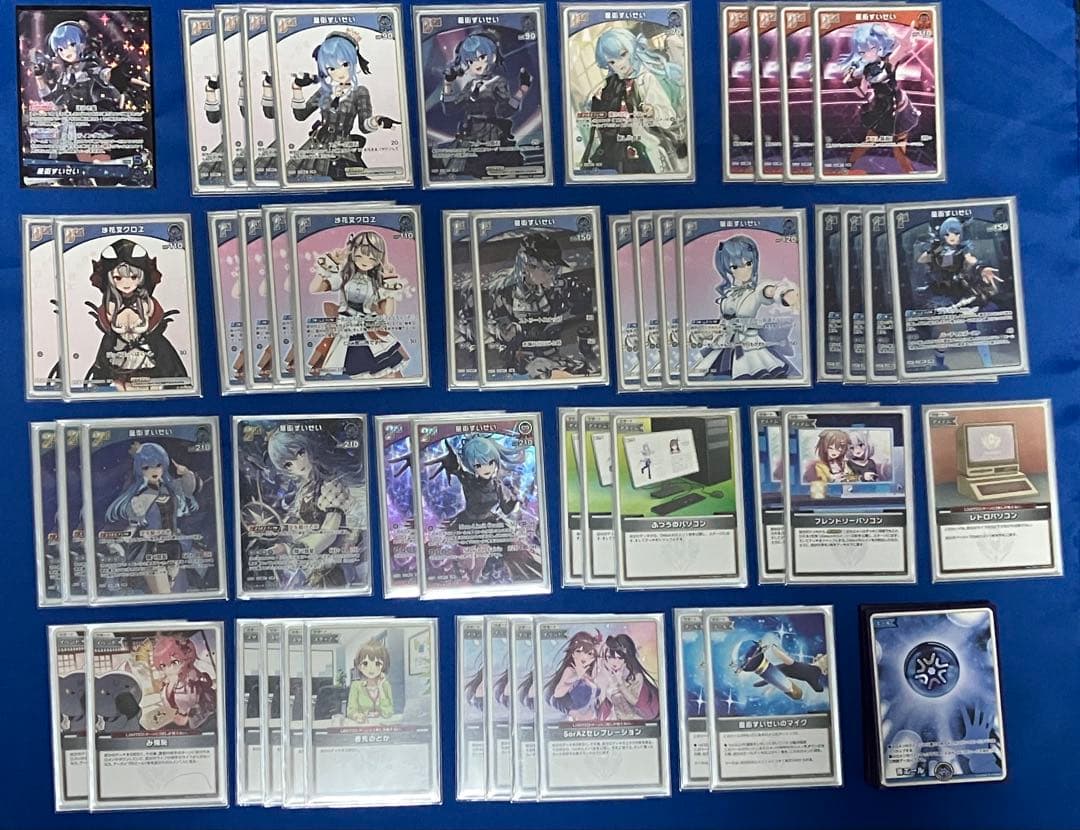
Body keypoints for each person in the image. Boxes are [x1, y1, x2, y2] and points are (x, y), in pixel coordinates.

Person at [290, 31, 399, 180]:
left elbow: (364, 126)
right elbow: (300, 115)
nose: (339, 72)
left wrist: (376, 121)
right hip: (317, 146)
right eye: (332, 68)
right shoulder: (324, 91)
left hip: (342, 148)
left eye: (345, 64)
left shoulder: (359, 92)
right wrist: (297, 88)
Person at [86, 238, 189, 390]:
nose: (126, 283)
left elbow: (154, 316)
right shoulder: (111, 302)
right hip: (117, 353)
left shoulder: (145, 300)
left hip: (148, 353)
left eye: (133, 277)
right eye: (118, 278)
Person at [581, 27, 686, 174]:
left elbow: (668, 115)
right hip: (622, 148)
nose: (620, 65)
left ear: (632, 49)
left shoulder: (646, 79)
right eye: (612, 62)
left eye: (623, 55)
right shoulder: (613, 84)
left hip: (650, 145)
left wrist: (652, 111)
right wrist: (600, 101)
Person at [693, 235, 799, 380]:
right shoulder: (729, 293)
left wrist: (783, 294)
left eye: (748, 263)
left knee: (751, 372)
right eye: (735, 266)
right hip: (725, 341)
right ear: (728, 269)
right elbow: (723, 319)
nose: (744, 270)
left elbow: (768, 290)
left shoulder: (755, 291)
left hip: (749, 343)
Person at [308, 231, 409, 379]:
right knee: (355, 374)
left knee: (390, 374)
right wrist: (330, 262)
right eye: (360, 255)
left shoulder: (377, 281)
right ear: (353, 252)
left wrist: (390, 283)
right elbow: (314, 288)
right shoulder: (345, 276)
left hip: (371, 331)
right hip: (347, 331)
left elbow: (388, 312)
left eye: (372, 257)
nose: (365, 261)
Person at [105, 442, 201, 594]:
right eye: (146, 467)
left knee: (172, 590)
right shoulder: (142, 496)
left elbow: (189, 489)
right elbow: (135, 524)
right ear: (140, 470)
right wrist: (121, 541)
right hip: (151, 549)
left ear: (164, 465)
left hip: (173, 547)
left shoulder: (171, 488)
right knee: (163, 594)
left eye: (158, 465)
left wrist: (186, 473)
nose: (153, 470)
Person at [437, 31, 532, 178]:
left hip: (490, 136)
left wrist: (522, 89)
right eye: (471, 61)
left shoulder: (498, 82)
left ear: (492, 57)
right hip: (469, 136)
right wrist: (447, 83)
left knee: (488, 169)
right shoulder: (470, 85)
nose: (476, 64)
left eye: (481, 57)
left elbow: (506, 111)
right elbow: (450, 109)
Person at [597, 634, 660, 721]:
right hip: (621, 723)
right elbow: (604, 711)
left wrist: (620, 684)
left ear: (627, 658)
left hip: (641, 719)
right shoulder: (612, 677)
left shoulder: (635, 677)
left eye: (620, 658)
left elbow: (637, 703)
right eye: (610, 657)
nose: (614, 662)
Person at [544, 631, 602, 721]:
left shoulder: (588, 673)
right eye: (578, 651)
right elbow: (557, 694)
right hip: (574, 719)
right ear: (573, 653)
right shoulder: (570, 671)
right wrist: (577, 676)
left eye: (589, 653)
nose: (584, 657)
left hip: (591, 719)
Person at [346, 637, 393, 721]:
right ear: (359, 666)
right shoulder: (356, 686)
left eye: (377, 663)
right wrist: (357, 716)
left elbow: (388, 713)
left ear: (383, 666)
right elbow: (351, 711)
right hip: (362, 725)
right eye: (365, 663)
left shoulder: (386, 685)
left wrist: (380, 688)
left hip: (381, 726)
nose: (371, 668)